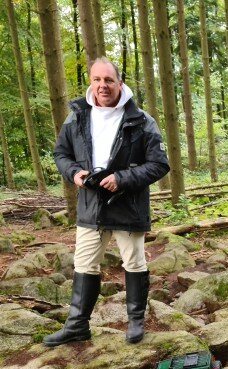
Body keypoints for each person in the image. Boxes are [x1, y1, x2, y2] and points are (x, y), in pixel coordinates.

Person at [44, 58, 169, 347]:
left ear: (119, 83)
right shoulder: (76, 117)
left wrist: (122, 178)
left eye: (109, 80)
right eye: (97, 80)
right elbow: (61, 154)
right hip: (91, 203)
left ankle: (135, 322)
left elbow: (159, 164)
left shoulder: (142, 121)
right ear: (91, 82)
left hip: (128, 203)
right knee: (84, 263)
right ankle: (77, 325)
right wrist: (74, 173)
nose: (103, 85)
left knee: (134, 262)